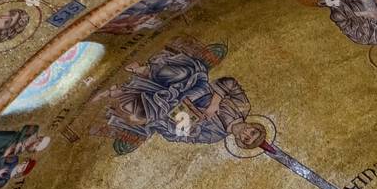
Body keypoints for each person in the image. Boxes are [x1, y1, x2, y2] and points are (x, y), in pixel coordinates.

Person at [92, 45, 267, 149]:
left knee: (138, 115)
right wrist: (214, 104)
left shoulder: (215, 135)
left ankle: (117, 92)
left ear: (238, 141)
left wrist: (189, 126)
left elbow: (183, 136)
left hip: (175, 107)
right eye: (253, 132)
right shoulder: (242, 107)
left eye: (246, 139)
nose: (246, 133)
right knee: (178, 73)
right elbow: (229, 82)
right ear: (254, 125)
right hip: (194, 87)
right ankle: (144, 70)